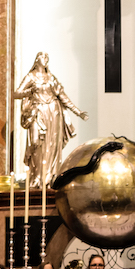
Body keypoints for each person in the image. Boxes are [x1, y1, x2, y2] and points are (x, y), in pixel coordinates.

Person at [14, 52, 88, 187]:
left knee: (53, 145)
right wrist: (29, 92)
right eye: (44, 57)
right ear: (37, 60)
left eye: (47, 58)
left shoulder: (51, 78)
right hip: (38, 113)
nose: (46, 60)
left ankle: (50, 178)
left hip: (54, 112)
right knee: (36, 143)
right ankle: (37, 178)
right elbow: (16, 94)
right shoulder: (31, 77)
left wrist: (78, 112)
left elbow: (63, 96)